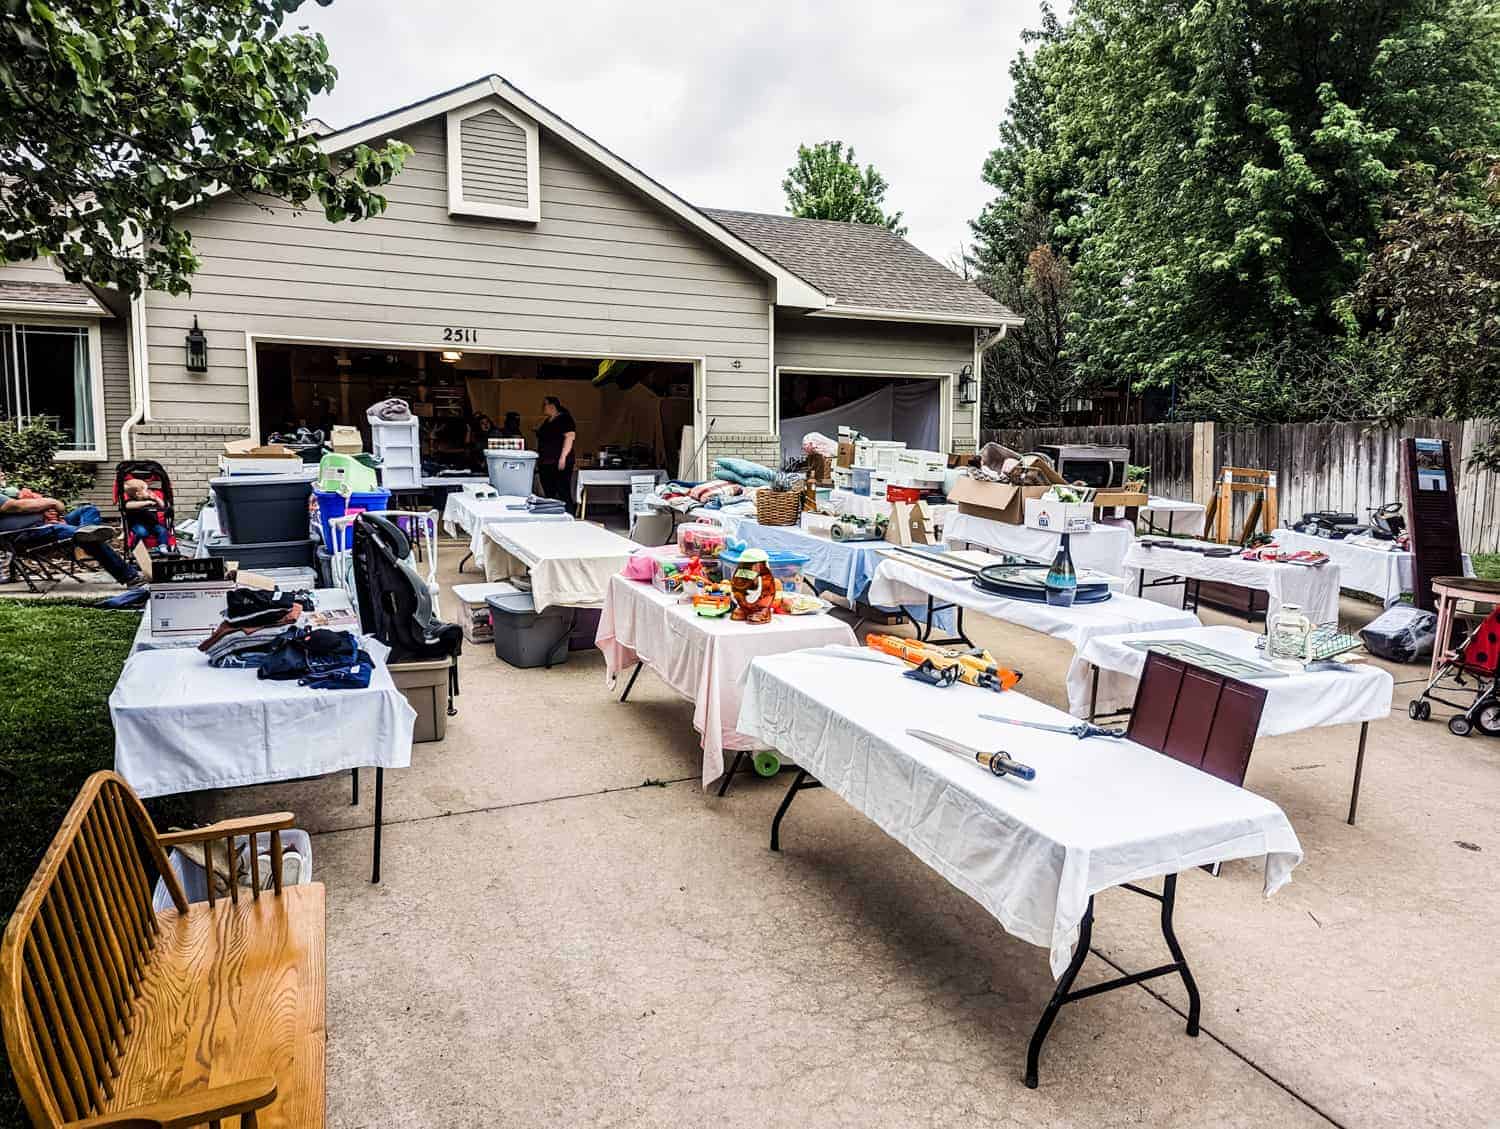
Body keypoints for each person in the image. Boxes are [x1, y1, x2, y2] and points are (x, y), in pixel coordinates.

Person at [0, 473, 143, 586]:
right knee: (87, 537)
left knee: (88, 510)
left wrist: (49, 508)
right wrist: (51, 502)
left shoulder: (7, 492)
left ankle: (85, 533)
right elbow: (15, 506)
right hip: (29, 533)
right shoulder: (4, 498)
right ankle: (130, 577)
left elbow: (58, 507)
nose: (3, 474)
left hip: (48, 524)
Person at [534, 396, 576, 507]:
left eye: (544, 405)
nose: (543, 408)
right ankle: (553, 515)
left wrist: (563, 457)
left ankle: (568, 515)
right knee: (549, 493)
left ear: (552, 406)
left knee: (563, 491)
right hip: (546, 462)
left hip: (557, 461)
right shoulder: (547, 421)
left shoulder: (564, 419)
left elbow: (570, 437)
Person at [121, 477, 172, 552]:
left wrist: (157, 499)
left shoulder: (150, 498)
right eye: (145, 490)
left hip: (152, 523)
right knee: (142, 533)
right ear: (138, 493)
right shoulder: (131, 501)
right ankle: (135, 546)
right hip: (138, 524)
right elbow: (127, 505)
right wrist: (146, 503)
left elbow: (163, 506)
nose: (148, 491)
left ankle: (162, 547)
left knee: (163, 531)